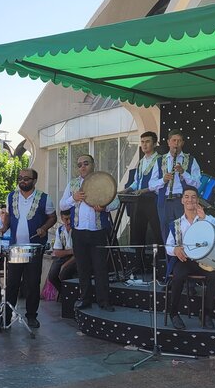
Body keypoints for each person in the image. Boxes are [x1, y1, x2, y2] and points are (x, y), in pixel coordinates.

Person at [60, 153, 120, 312]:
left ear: (93, 165)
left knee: (100, 267)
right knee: (82, 268)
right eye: (79, 165)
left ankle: (104, 301)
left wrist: (105, 207)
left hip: (98, 232)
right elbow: (62, 205)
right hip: (79, 232)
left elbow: (116, 202)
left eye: (86, 163)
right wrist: (74, 198)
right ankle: (85, 298)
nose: (82, 167)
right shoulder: (73, 184)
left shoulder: (102, 180)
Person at [0, 169, 56, 329]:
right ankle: (6, 317)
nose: (22, 181)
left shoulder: (44, 198)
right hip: (15, 248)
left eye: (26, 178)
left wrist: (44, 228)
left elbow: (52, 217)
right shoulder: (11, 196)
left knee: (32, 283)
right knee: (12, 283)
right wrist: (4, 227)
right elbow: (9, 216)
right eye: (20, 178)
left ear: (34, 180)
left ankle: (31, 316)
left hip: (34, 248)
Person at [164, 186, 215, 330]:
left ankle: (206, 314)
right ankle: (174, 313)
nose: (190, 199)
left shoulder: (205, 218)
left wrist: (205, 218)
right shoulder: (176, 224)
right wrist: (175, 250)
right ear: (182, 200)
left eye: (193, 197)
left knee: (214, 275)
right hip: (185, 260)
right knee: (178, 276)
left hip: (203, 260)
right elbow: (168, 246)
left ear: (197, 200)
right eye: (187, 196)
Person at [149, 130, 201, 239]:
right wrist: (163, 180)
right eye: (174, 140)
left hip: (182, 202)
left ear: (182, 143)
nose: (176, 143)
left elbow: (197, 184)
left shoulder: (191, 160)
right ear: (168, 142)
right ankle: (170, 256)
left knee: (185, 232)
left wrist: (184, 173)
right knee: (166, 233)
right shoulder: (160, 161)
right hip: (164, 201)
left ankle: (185, 255)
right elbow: (151, 185)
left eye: (179, 141)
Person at [127, 131, 162, 278]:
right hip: (140, 200)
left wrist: (144, 190)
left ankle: (161, 266)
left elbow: (159, 182)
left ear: (154, 143)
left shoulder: (160, 160)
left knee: (158, 233)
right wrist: (128, 189)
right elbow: (137, 181)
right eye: (142, 142)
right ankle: (138, 265)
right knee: (138, 232)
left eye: (147, 141)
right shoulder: (141, 161)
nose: (144, 145)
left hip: (153, 199)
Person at [45, 209, 76, 299]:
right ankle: (64, 294)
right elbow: (57, 252)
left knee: (64, 272)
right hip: (64, 255)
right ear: (62, 218)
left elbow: (78, 252)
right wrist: (71, 251)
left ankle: (70, 296)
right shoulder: (60, 230)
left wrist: (66, 263)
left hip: (77, 257)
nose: (69, 222)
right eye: (66, 219)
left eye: (70, 218)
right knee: (52, 276)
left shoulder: (77, 229)